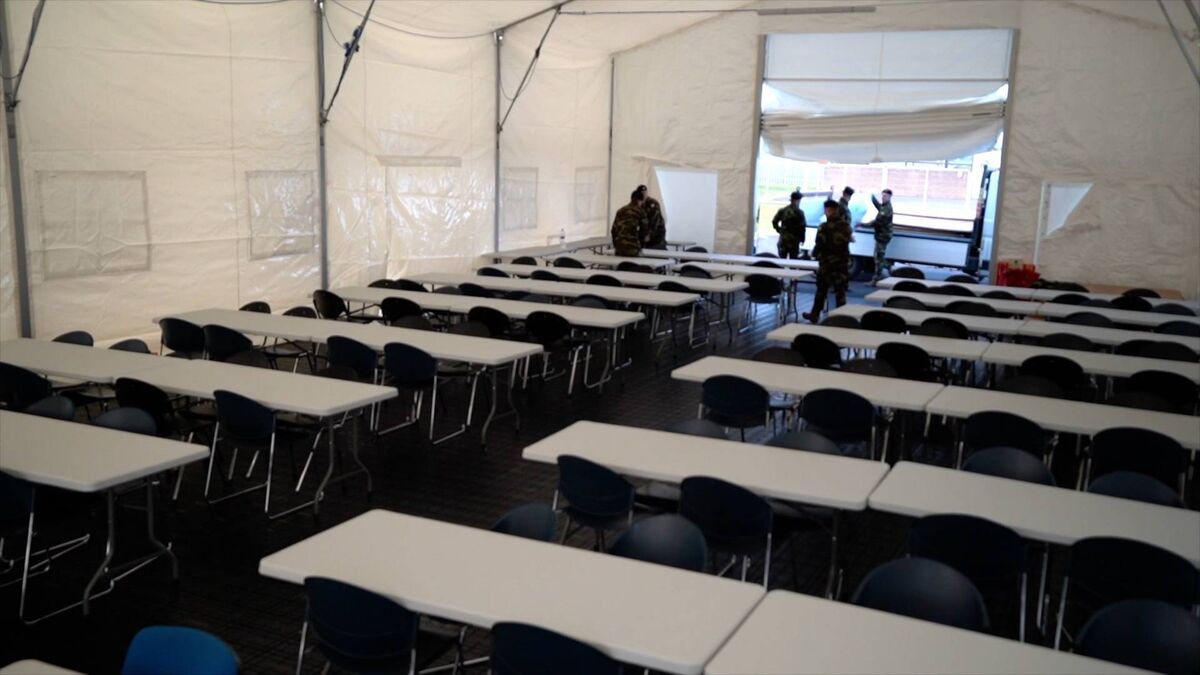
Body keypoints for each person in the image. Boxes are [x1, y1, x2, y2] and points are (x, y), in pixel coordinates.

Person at [803, 199, 853, 323]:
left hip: (826, 264)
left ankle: (815, 314)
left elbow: (819, 244)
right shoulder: (846, 226)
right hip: (841, 264)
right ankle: (842, 318)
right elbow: (847, 242)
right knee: (840, 292)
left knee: (821, 290)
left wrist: (813, 254)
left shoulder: (824, 227)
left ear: (828, 210)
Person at [863, 189, 894, 284]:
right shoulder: (884, 206)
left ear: (889, 197)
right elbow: (878, 206)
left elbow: (876, 222)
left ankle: (877, 278)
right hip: (882, 235)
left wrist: (863, 225)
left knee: (878, 258)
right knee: (878, 256)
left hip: (883, 236)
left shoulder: (887, 209)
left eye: (885, 196)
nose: (883, 198)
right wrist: (872, 197)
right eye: (882, 196)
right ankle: (887, 268)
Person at [772, 191, 807, 259]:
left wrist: (780, 231)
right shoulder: (800, 212)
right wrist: (802, 239)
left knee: (782, 261)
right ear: (797, 200)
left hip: (783, 240)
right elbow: (802, 227)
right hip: (794, 242)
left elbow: (774, 222)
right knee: (793, 262)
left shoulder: (783, 210)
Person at [611, 190, 647, 257]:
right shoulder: (641, 212)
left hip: (620, 247)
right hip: (633, 248)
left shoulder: (620, 211)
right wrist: (641, 246)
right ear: (640, 201)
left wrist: (616, 245)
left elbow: (613, 230)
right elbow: (644, 232)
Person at [637, 185, 667, 250]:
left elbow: (655, 221)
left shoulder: (653, 203)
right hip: (646, 233)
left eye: (645, 192)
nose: (643, 194)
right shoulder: (639, 203)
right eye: (641, 193)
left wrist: (649, 235)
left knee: (656, 249)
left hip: (657, 233)